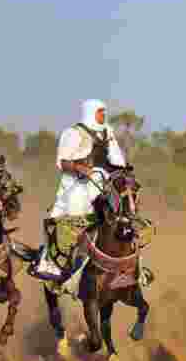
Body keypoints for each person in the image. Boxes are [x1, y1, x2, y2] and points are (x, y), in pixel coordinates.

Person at [34, 99, 127, 281]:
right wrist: (79, 168)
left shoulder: (108, 132)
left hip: (104, 179)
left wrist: (122, 172)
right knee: (72, 216)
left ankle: (132, 263)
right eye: (100, 112)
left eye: (104, 112)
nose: (103, 115)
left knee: (126, 209)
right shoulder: (74, 133)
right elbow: (63, 162)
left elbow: (117, 159)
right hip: (78, 182)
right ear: (90, 112)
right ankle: (51, 263)